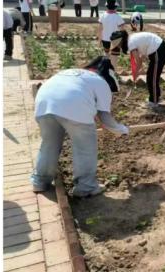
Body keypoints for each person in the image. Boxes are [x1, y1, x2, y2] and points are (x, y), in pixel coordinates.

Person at [31, 56, 128, 198]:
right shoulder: (101, 82)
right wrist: (122, 130)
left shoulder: (73, 73)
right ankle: (86, 187)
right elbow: (105, 118)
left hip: (43, 103)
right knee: (85, 149)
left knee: (49, 145)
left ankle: (39, 182)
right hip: (74, 106)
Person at [109, 29, 165, 110]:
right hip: (158, 50)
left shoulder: (130, 43)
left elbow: (138, 61)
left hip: (158, 51)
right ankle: (156, 97)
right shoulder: (131, 39)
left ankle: (153, 101)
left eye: (118, 45)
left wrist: (136, 73)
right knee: (151, 76)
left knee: (152, 78)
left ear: (120, 41)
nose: (118, 47)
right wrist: (137, 70)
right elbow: (141, 54)